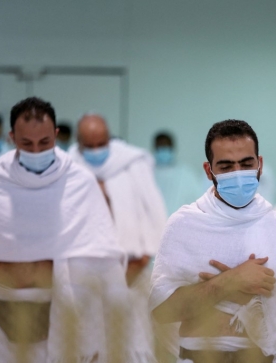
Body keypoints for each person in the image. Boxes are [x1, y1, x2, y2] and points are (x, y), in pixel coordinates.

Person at [150, 120, 276, 363]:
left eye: (246, 164)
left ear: (260, 164)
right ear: (208, 170)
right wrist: (229, 282)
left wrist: (252, 300)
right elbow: (162, 310)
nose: (238, 174)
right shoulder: (185, 225)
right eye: (226, 166)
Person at [0, 97, 152, 362]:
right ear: (11, 137)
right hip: (1, 318)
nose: (36, 151)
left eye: (44, 143)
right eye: (26, 144)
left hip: (63, 322)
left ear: (55, 135)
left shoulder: (78, 181)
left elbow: (102, 254)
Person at [69, 113, 168, 357]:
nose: (95, 150)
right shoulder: (68, 168)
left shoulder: (132, 165)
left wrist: (123, 277)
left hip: (132, 278)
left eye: (101, 144)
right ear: (78, 143)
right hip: (83, 285)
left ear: (109, 139)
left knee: (134, 346)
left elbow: (151, 223)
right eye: (88, 145)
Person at [154, 131, 203, 214]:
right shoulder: (148, 173)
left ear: (172, 148)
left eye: (166, 147)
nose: (163, 150)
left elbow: (198, 199)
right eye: (160, 147)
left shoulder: (185, 173)